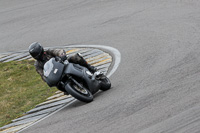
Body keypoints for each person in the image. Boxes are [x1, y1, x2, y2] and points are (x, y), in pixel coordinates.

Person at [28, 42, 97, 94]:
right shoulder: (37, 65)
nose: (37, 55)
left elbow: (58, 51)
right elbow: (42, 75)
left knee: (76, 57)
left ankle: (90, 68)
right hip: (56, 76)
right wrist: (47, 79)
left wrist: (62, 55)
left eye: (36, 53)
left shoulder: (49, 52)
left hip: (64, 65)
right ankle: (69, 89)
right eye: (34, 54)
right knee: (57, 85)